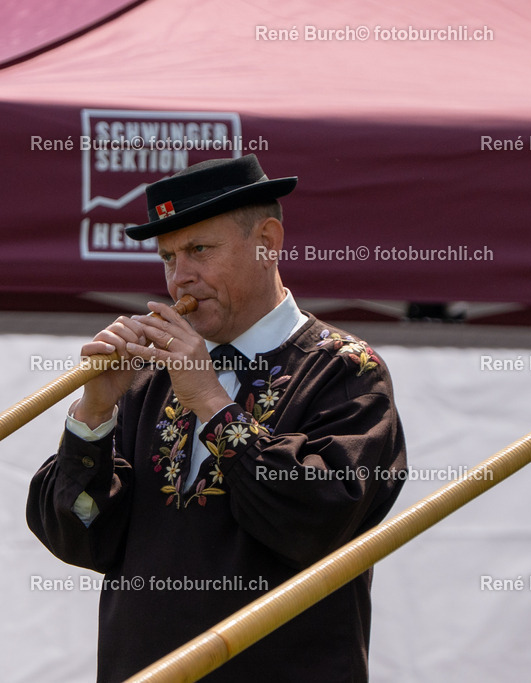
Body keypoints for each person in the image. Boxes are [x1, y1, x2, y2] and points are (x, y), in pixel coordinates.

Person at [27, 154, 406, 682]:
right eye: (167, 258)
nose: (181, 279)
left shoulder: (346, 370)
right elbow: (79, 536)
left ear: (267, 242)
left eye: (199, 250)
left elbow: (315, 524)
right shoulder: (148, 375)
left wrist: (209, 399)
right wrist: (94, 412)